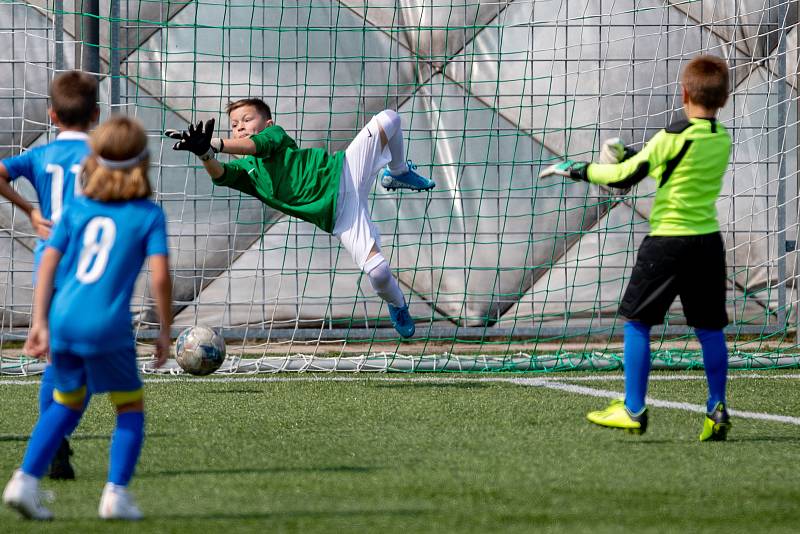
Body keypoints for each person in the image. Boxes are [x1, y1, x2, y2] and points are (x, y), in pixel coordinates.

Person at [539, 55, 733, 440]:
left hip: (668, 243)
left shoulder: (670, 137)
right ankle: (717, 406)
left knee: (638, 322)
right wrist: (635, 157)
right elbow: (666, 168)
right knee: (710, 329)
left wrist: (578, 169)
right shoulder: (720, 138)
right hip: (708, 244)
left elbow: (624, 176)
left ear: (683, 93)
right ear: (723, 100)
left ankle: (633, 408)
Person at [2, 116, 172, 520]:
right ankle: (116, 494)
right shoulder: (147, 215)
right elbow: (161, 276)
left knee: (66, 400)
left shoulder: (77, 209)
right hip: (107, 326)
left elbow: (48, 266)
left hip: (62, 319)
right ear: (142, 163)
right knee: (129, 406)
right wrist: (165, 330)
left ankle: (24, 481)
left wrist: (40, 321)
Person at [164, 99, 434, 337]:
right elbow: (220, 174)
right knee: (378, 271)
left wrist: (216, 144)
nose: (240, 127)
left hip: (345, 169)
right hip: (340, 215)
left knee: (389, 118)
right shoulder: (246, 171)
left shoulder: (274, 136)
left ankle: (398, 172)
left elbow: (257, 145)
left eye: (247, 120)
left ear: (268, 122)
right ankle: (398, 305)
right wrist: (204, 154)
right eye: (234, 124)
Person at [0, 70, 100, 479]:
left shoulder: (40, 156)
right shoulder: (103, 155)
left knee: (58, 360)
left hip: (50, 267)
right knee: (88, 361)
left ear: (52, 115)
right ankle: (57, 434)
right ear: (95, 115)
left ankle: (54, 441)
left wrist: (28, 210)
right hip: (91, 267)